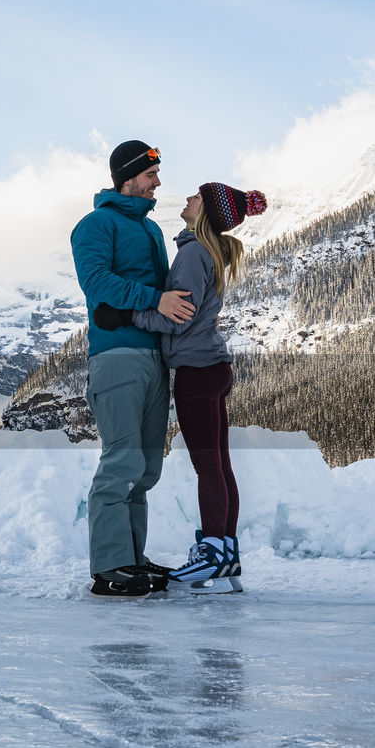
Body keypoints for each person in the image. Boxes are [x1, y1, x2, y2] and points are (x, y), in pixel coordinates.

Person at [95, 182, 266, 594]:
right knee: (219, 465)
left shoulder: (192, 252)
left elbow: (178, 317)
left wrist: (125, 317)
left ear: (205, 211)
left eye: (197, 197)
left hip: (197, 371)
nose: (188, 199)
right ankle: (224, 553)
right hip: (210, 368)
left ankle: (214, 555)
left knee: (208, 467)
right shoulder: (205, 251)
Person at [71, 141, 196, 599]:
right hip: (116, 357)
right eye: (150, 175)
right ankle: (109, 567)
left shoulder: (149, 231)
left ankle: (132, 559)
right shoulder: (95, 225)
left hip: (152, 358)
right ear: (126, 177)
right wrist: (153, 300)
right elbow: (97, 282)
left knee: (144, 469)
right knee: (121, 460)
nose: (157, 183)